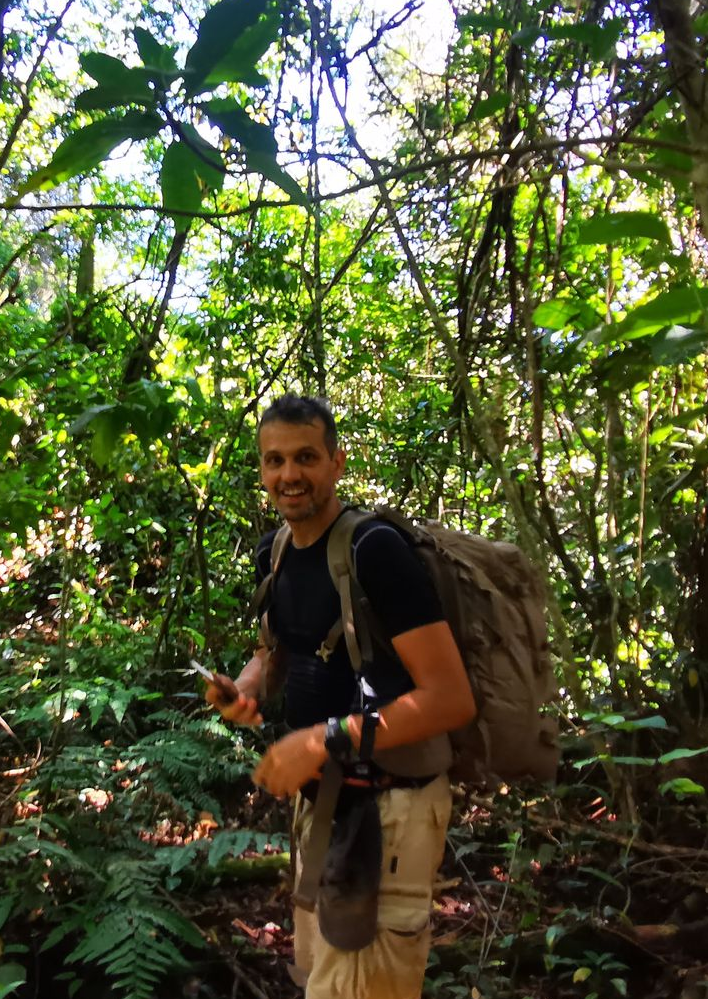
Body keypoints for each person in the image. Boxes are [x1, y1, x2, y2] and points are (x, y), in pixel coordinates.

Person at [202, 395, 477, 999]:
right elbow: (280, 651)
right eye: (274, 461)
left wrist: (325, 739)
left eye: (305, 457)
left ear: (336, 463)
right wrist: (246, 687)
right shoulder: (275, 552)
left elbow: (451, 699)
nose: (289, 475)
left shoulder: (374, 551)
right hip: (320, 809)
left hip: (389, 811)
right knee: (323, 979)